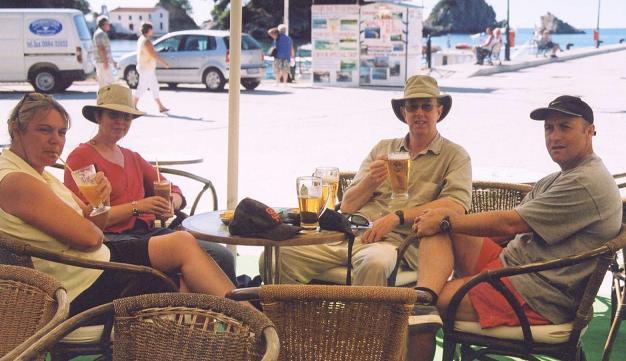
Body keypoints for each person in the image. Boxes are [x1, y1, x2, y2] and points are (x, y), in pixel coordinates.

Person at [407, 95, 623, 361]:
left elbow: (511, 222)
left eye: (564, 127)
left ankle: (423, 305)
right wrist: (445, 221)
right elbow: (511, 229)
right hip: (512, 265)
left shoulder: (585, 182)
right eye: (549, 128)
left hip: (536, 294)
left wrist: (446, 220)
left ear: (590, 131)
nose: (554, 136)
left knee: (422, 311)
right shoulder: (562, 176)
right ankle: (423, 296)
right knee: (440, 225)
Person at [0, 93, 237, 317]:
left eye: (61, 133)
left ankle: (233, 324)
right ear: (16, 130)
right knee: (183, 258)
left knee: (184, 245)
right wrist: (114, 212)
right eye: (44, 130)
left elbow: (92, 223)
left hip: (89, 263)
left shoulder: (37, 174)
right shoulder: (19, 180)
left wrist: (101, 204)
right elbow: (93, 237)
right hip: (77, 284)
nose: (55, 141)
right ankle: (251, 326)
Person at [267, 75, 472, 286]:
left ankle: (363, 320)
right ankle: (289, 318)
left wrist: (396, 217)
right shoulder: (383, 148)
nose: (419, 113)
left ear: (438, 111)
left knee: (375, 263)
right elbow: (347, 205)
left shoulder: (454, 155)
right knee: (278, 256)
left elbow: (455, 207)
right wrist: (371, 181)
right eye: (412, 106)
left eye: (427, 106)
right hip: (353, 235)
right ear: (404, 112)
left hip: (398, 243)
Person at [63, 84, 236, 283]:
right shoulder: (81, 157)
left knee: (222, 255)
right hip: (112, 241)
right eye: (113, 115)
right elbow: (87, 218)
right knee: (194, 258)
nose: (121, 122)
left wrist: (170, 203)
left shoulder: (131, 156)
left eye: (127, 117)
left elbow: (174, 190)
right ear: (98, 117)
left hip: (147, 233)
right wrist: (138, 207)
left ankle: (221, 308)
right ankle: (221, 307)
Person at [133, 22, 170, 113]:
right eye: (151, 29)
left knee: (154, 86)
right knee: (142, 87)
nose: (153, 31)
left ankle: (160, 107)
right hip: (146, 68)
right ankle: (132, 105)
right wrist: (164, 63)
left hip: (146, 67)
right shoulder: (146, 41)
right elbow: (153, 54)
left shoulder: (141, 39)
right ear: (148, 30)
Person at [93, 16, 116, 87]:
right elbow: (101, 48)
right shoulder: (101, 34)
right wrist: (105, 62)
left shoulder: (99, 33)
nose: (109, 25)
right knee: (110, 82)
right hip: (102, 62)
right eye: (108, 24)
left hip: (101, 62)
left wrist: (112, 61)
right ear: (103, 24)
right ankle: (109, 97)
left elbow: (106, 50)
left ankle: (103, 98)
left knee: (102, 83)